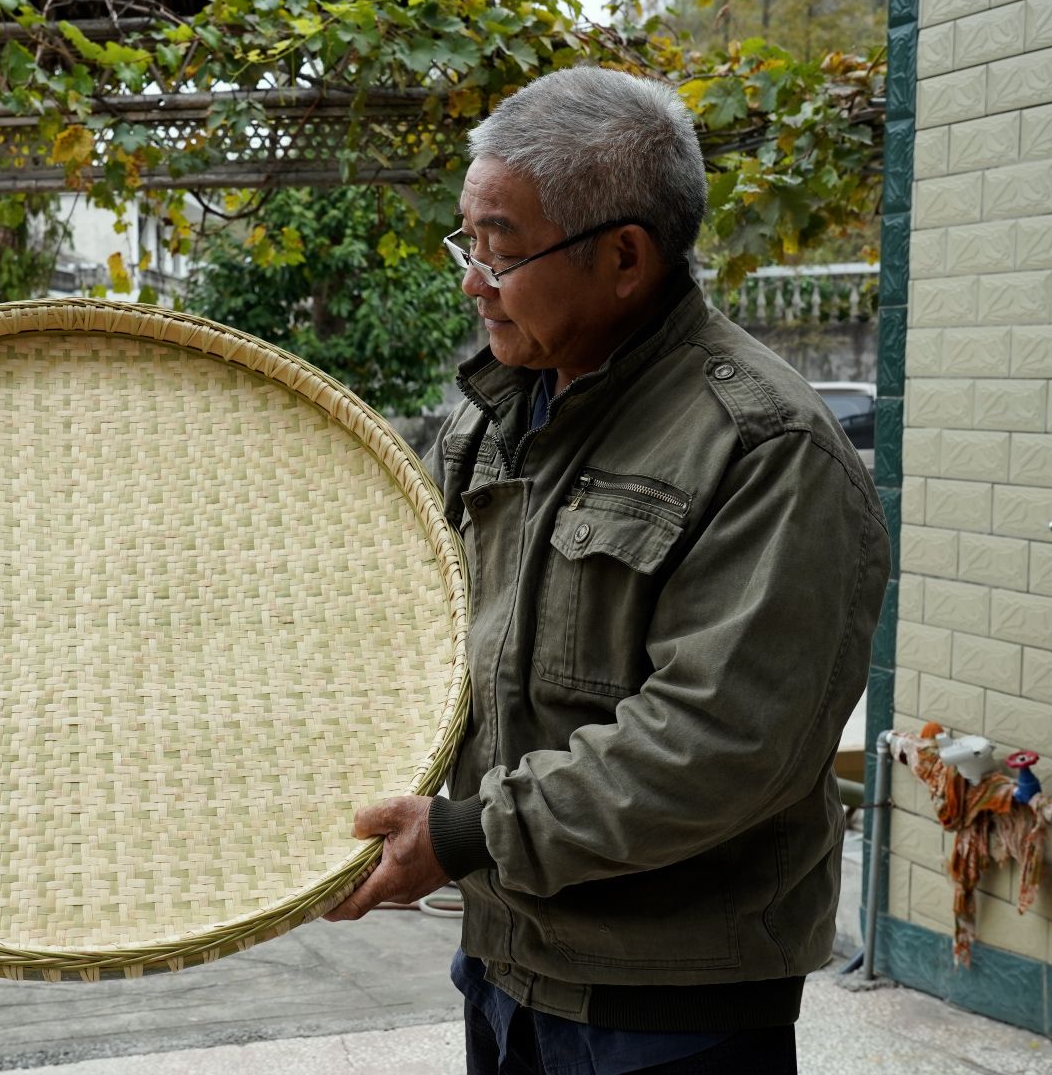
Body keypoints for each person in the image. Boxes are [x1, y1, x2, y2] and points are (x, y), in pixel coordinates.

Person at [319, 66, 890, 1074]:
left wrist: (464, 835)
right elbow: (420, 638)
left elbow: (721, 742)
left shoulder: (763, 446)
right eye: (469, 238)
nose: (472, 278)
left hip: (671, 1005)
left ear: (625, 257)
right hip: (506, 962)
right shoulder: (494, 419)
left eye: (501, 244)